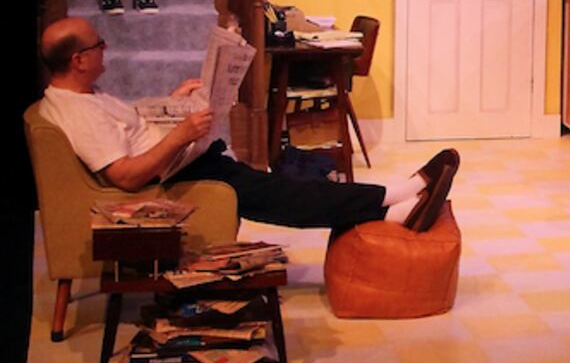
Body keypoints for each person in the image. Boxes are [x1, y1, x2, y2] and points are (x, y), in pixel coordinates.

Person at [38, 17, 457, 233]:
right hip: (179, 176)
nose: (104, 49)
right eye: (98, 45)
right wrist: (182, 134)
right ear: (78, 60)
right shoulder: (77, 112)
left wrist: (172, 103)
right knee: (287, 197)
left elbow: (128, 130)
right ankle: (394, 203)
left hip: (191, 161)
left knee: (286, 191)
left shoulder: (81, 96)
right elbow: (127, 176)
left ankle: (393, 207)